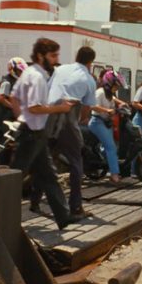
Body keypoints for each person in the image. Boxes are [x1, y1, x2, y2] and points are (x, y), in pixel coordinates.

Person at [10, 38, 83, 229]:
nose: (56, 59)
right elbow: (34, 108)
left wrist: (20, 119)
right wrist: (60, 108)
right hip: (32, 134)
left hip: (35, 132)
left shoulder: (28, 73)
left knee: (49, 175)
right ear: (41, 56)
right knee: (14, 178)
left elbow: (13, 98)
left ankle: (63, 216)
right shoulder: (37, 77)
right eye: (53, 55)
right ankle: (0, 219)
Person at [43, 46, 97, 216]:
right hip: (67, 117)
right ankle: (76, 206)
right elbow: (87, 109)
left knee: (44, 159)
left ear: (76, 56)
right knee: (76, 161)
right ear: (90, 62)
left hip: (48, 115)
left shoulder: (60, 69)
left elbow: (48, 90)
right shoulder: (89, 79)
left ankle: (35, 203)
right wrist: (79, 121)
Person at [89, 70, 127, 183]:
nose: (117, 88)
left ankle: (106, 166)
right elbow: (92, 106)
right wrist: (107, 110)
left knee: (108, 148)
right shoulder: (100, 93)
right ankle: (114, 175)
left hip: (106, 122)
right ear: (109, 84)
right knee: (111, 147)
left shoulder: (110, 95)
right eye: (116, 86)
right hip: (97, 122)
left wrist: (123, 104)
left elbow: (114, 100)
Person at [0, 57, 27, 148]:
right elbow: (1, 99)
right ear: (12, 69)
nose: (21, 73)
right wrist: (14, 107)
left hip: (10, 116)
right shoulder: (6, 82)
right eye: (19, 71)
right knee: (5, 141)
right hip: (4, 117)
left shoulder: (14, 81)